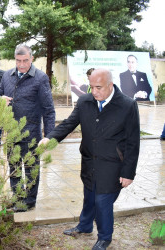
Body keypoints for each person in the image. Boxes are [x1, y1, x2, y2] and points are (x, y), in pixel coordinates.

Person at [39, 68, 140, 250]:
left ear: (110, 85)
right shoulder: (85, 101)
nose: (94, 92)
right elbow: (70, 123)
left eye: (99, 87)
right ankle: (85, 226)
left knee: (103, 202)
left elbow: (133, 142)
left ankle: (104, 237)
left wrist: (128, 172)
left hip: (112, 164)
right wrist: (50, 138)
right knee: (90, 196)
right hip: (89, 161)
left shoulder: (127, 105)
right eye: (91, 87)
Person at [0, 44, 55, 212]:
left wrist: (49, 136)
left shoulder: (40, 78)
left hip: (32, 133)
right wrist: (0, 99)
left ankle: (28, 201)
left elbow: (48, 109)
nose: (21, 64)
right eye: (18, 61)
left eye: (25, 60)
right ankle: (17, 198)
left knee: (30, 169)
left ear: (32, 58)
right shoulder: (7, 76)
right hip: (11, 131)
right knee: (14, 168)